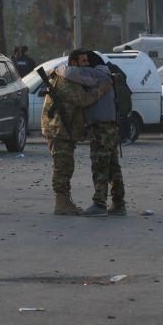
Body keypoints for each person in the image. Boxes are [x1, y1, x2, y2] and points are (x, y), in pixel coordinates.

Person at [41, 48, 112, 215]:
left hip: (63, 130)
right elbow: (84, 100)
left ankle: (65, 201)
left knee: (66, 166)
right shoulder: (66, 80)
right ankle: (61, 204)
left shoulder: (69, 76)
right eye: (83, 62)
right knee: (62, 167)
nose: (87, 65)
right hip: (59, 130)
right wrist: (102, 89)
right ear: (73, 63)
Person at [64, 51, 126, 217]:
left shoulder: (96, 74)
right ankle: (119, 203)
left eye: (86, 61)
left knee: (99, 166)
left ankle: (99, 203)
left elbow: (71, 72)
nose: (84, 64)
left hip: (100, 128)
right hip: (111, 127)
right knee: (113, 167)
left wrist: (55, 71)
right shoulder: (105, 74)